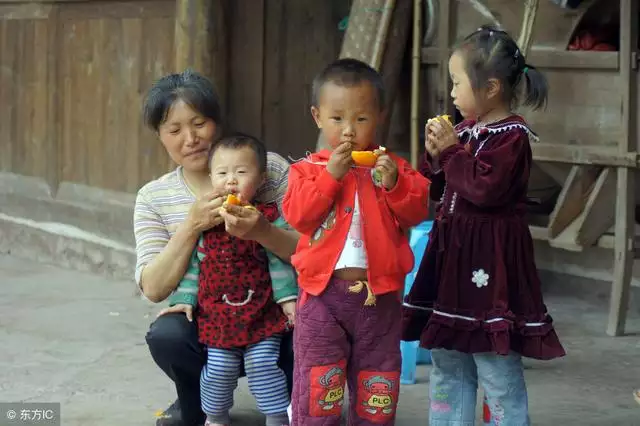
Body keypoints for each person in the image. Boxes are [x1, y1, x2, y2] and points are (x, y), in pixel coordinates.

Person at [401, 26, 566, 425]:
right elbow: (439, 184)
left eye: (457, 83)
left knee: (494, 362)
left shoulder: (512, 138)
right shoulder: (464, 132)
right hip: (453, 260)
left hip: (488, 268)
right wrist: (435, 154)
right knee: (449, 359)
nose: (452, 92)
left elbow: (483, 188)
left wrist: (453, 152)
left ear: (490, 87)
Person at [134, 70, 298, 426]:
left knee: (318, 316)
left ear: (217, 122)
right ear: (160, 137)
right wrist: (192, 225)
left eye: (199, 123)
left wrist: (263, 231)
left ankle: (292, 404)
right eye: (174, 130)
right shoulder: (154, 197)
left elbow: (311, 250)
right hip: (209, 320)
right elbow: (154, 288)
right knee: (167, 335)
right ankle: (196, 404)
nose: (190, 139)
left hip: (276, 313)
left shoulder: (268, 169)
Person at [282, 58, 430, 426]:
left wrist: (395, 184)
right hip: (321, 297)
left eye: (361, 119)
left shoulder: (395, 167)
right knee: (320, 387)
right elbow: (299, 216)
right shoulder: (306, 170)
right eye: (337, 119)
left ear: (379, 115)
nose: (349, 130)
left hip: (379, 298)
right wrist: (330, 176)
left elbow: (416, 212)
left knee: (376, 387)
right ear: (317, 116)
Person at [165, 133, 295, 426]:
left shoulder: (266, 218)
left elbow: (279, 262)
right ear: (211, 177)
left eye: (241, 172)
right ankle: (216, 417)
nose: (231, 180)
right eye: (223, 173)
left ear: (261, 179)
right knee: (219, 369)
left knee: (263, 364)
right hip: (219, 317)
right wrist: (184, 299)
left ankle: (277, 417)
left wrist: (288, 300)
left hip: (262, 314)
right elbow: (193, 268)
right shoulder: (206, 223)